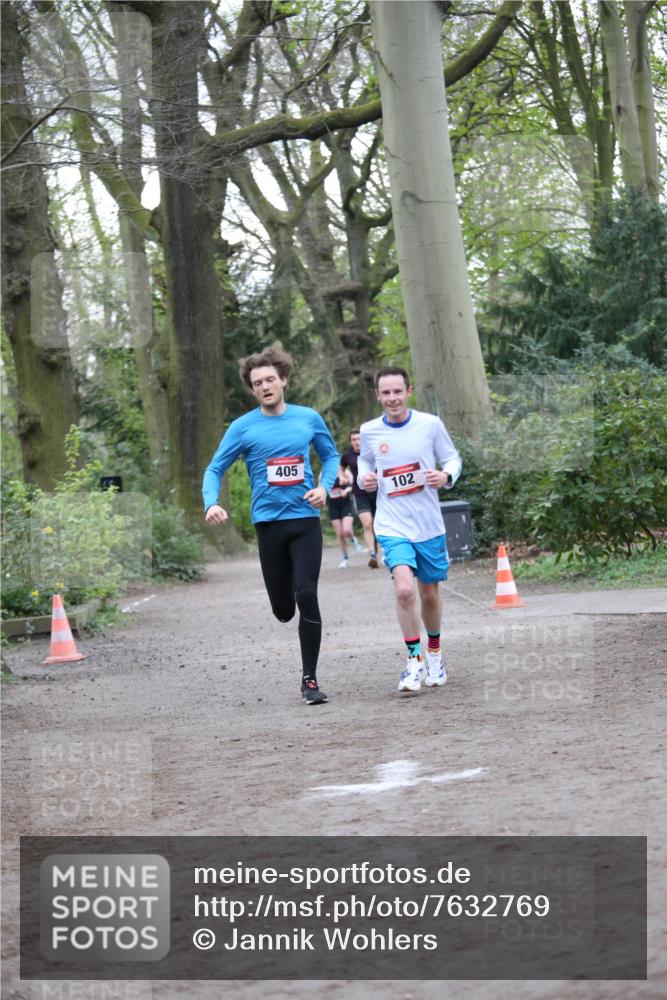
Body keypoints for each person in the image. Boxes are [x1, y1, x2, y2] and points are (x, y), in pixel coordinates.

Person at [202, 343, 339, 705]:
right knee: (284, 610)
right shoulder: (242, 428)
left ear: (284, 381)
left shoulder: (308, 418)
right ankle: (287, 595)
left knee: (307, 593)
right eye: (257, 382)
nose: (264, 386)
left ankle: (309, 680)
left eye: (270, 379)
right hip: (269, 527)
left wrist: (325, 488)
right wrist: (210, 502)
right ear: (252, 389)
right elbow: (215, 467)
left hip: (305, 521)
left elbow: (330, 455)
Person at [357, 366, 462, 693]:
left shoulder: (430, 425)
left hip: (428, 525)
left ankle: (434, 653)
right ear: (377, 395)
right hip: (391, 524)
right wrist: (365, 478)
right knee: (404, 589)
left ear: (408, 391)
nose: (392, 398)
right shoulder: (370, 431)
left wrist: (445, 477)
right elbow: (363, 463)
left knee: (429, 594)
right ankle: (413, 660)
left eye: (397, 391)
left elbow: (453, 459)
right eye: (385, 393)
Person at [340, 428, 380, 569]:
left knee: (377, 525)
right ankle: (372, 555)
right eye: (354, 439)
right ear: (350, 442)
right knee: (367, 524)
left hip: (377, 492)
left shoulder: (372, 451)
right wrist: (342, 476)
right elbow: (341, 467)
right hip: (360, 493)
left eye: (359, 439)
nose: (357, 442)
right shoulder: (347, 455)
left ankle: (377, 550)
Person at [326, 466, 358, 568]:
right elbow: (321, 488)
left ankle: (354, 540)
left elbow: (355, 485)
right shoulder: (324, 473)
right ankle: (345, 558)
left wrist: (347, 490)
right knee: (340, 534)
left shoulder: (345, 472)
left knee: (347, 530)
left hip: (345, 504)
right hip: (333, 506)